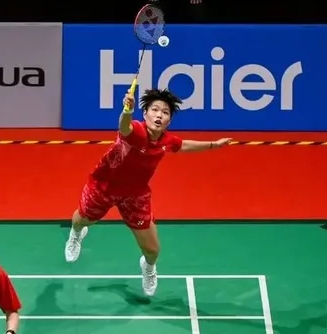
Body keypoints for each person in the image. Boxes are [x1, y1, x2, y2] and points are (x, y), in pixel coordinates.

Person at [64, 87, 232, 297]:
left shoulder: (166, 141)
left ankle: (148, 267)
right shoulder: (136, 130)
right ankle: (76, 234)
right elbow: (124, 127)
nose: (159, 115)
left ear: (169, 120)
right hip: (104, 186)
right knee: (82, 219)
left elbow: (183, 145)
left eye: (165, 112)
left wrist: (214, 145)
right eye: (155, 110)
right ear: (145, 114)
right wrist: (127, 111)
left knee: (153, 249)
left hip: (135, 195)